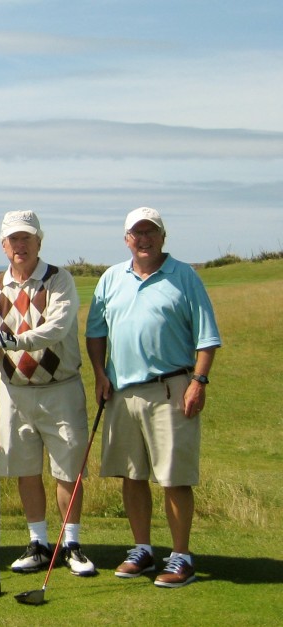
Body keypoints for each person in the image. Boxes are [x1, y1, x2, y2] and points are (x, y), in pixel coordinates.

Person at [85, 207, 221, 588]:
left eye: (150, 232)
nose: (143, 239)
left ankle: (181, 557)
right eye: (136, 233)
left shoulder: (184, 276)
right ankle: (142, 549)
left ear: (163, 236)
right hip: (122, 392)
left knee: (174, 476)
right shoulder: (111, 278)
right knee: (132, 474)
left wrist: (199, 381)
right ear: (126, 238)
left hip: (171, 388)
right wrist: (99, 374)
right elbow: (96, 334)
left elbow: (207, 337)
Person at [0, 210, 96, 576]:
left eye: (27, 238)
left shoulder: (59, 280)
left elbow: (56, 328)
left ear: (39, 241)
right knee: (25, 469)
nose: (20, 245)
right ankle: (38, 542)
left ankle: (71, 544)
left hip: (61, 389)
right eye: (14, 239)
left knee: (67, 471)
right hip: (15, 392)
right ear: (4, 245)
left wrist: (9, 340)